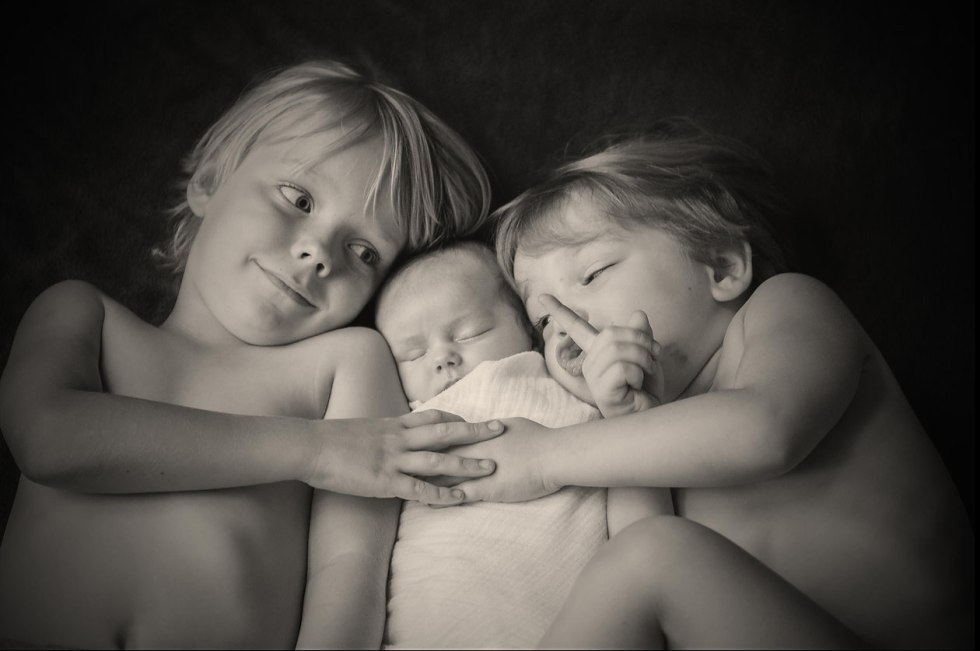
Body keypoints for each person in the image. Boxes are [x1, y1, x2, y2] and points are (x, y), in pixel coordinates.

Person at [0, 59, 507, 650]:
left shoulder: (344, 364)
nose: (320, 253)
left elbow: (348, 571)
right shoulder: (85, 315)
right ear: (211, 181)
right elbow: (46, 437)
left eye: (365, 251)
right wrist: (311, 449)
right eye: (298, 198)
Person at [448, 121, 975, 649]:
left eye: (592, 274)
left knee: (648, 557)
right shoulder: (639, 444)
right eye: (542, 320)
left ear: (721, 266)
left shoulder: (787, 307)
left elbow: (767, 431)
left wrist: (543, 457)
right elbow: (641, 606)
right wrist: (629, 421)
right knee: (639, 555)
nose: (564, 322)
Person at [372, 241, 672, 649]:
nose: (442, 358)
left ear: (529, 331)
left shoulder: (576, 391)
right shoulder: (405, 423)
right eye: (413, 353)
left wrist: (629, 420)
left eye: (470, 332)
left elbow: (643, 535)